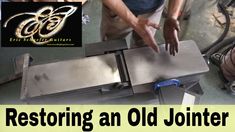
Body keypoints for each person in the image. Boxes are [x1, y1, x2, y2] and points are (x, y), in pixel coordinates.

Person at [101, 0, 184, 56]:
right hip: (117, 8)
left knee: (143, 49)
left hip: (153, 9)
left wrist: (172, 16)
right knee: (112, 47)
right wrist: (134, 22)